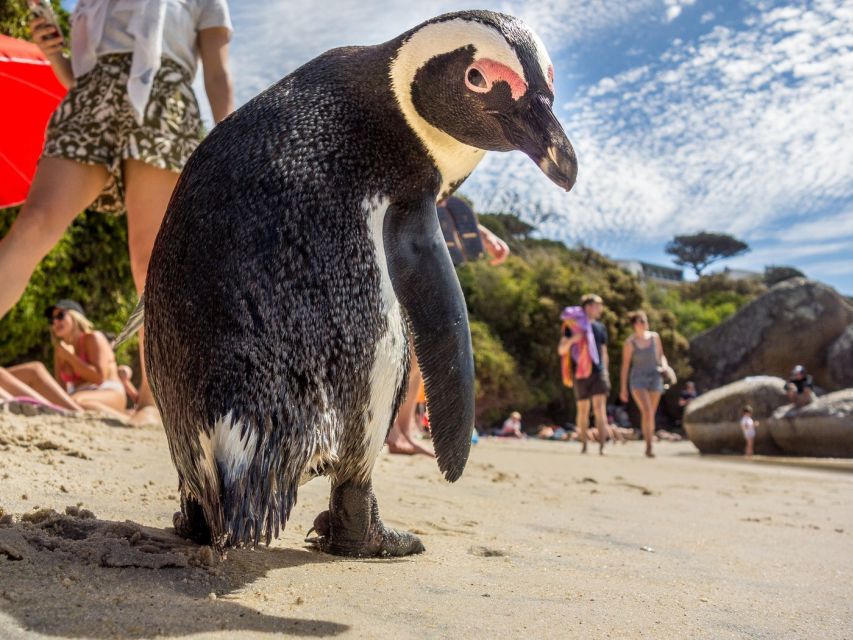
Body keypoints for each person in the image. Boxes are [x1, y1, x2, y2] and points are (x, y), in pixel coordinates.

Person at [0, 0, 234, 426]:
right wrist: (55, 54)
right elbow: (80, 73)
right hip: (90, 96)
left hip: (163, 97)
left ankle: (151, 398)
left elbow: (217, 73)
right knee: (31, 228)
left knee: (150, 261)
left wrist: (231, 144)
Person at [386, 223, 509, 455]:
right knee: (400, 351)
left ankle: (405, 429)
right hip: (397, 253)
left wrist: (484, 234)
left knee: (418, 355)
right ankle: (390, 429)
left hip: (424, 259)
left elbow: (444, 201)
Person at [0, 299, 127, 419]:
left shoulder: (93, 338)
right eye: (51, 320)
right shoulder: (60, 350)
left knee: (75, 401)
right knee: (71, 401)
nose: (55, 322)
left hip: (108, 390)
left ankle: (125, 417)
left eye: (60, 316)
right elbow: (61, 390)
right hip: (79, 396)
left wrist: (69, 357)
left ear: (75, 317)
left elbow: (99, 378)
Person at [558, 294, 611, 454]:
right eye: (597, 305)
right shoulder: (572, 326)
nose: (600, 309)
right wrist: (574, 339)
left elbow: (604, 352)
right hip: (580, 372)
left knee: (600, 409)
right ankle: (584, 445)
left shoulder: (600, 327)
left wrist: (606, 372)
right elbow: (561, 350)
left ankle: (602, 446)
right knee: (583, 410)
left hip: (598, 371)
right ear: (587, 307)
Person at [619, 310, 669, 458]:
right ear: (634, 325)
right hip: (638, 379)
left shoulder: (655, 337)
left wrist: (665, 366)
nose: (644, 324)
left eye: (645, 321)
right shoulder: (630, 343)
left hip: (655, 377)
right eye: (640, 321)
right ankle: (649, 446)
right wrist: (623, 388)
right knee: (647, 410)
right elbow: (625, 366)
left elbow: (661, 356)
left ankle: (649, 444)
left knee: (650, 414)